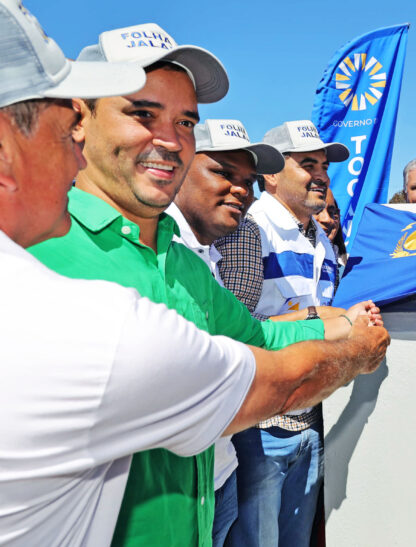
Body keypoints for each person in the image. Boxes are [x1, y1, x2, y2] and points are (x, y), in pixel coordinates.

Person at [0, 3, 389, 545]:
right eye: (143, 114)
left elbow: (258, 337)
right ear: (80, 119)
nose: (171, 138)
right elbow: (274, 378)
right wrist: (355, 350)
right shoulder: (37, 251)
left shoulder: (178, 254)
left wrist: (340, 323)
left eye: (185, 122)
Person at [224, 119, 350, 546]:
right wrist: (318, 319)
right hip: (259, 429)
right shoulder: (249, 230)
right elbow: (234, 329)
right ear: (271, 175)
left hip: (311, 424)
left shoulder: (323, 240)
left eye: (324, 166)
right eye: (307, 163)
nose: (320, 175)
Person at [165, 118, 285, 546]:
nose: (241, 190)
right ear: (176, 167)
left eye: (248, 181)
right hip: (173, 488)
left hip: (220, 471)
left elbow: (253, 335)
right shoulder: (159, 252)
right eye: (222, 172)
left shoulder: (204, 253)